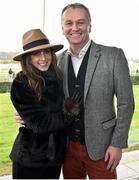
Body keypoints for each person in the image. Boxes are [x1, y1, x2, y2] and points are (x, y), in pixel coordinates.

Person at [15, 3, 134, 179]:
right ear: (62, 28)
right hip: (67, 148)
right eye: (69, 23)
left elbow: (126, 103)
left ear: (90, 25)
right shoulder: (56, 62)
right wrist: (25, 114)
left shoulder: (113, 56)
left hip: (102, 148)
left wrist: (117, 144)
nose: (75, 28)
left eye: (81, 22)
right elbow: (38, 95)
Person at [10, 28, 79, 179]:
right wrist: (69, 112)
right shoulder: (21, 82)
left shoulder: (57, 77)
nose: (43, 58)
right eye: (36, 53)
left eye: (46, 52)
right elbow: (40, 125)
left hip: (54, 158)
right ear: (28, 58)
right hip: (30, 160)